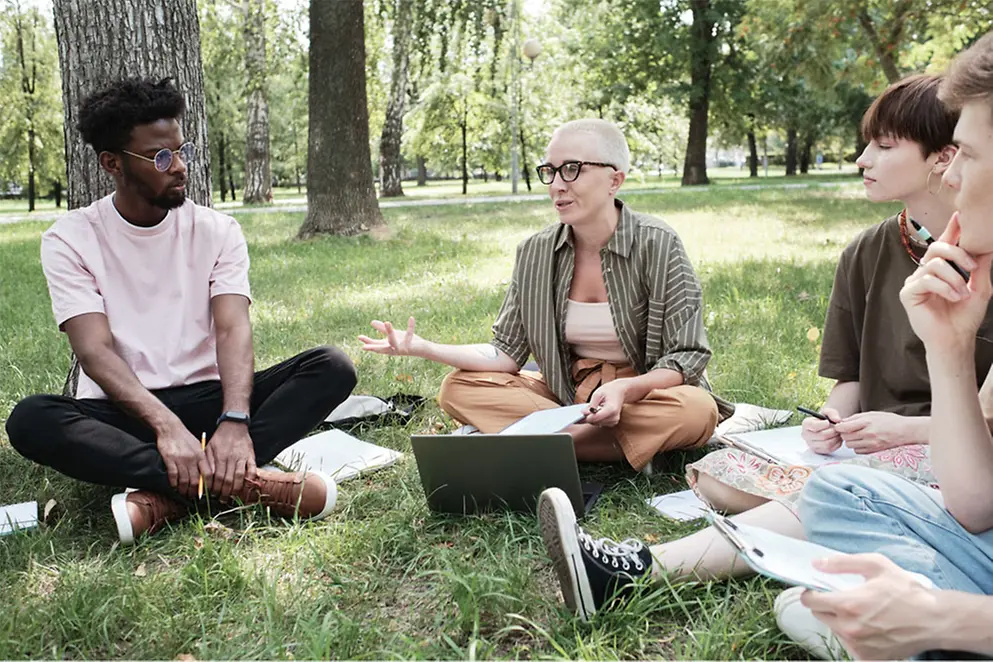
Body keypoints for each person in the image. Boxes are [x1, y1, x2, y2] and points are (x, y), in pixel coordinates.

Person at [536, 73, 993, 623]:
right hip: (878, 454)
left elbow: (979, 454)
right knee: (717, 475)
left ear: (943, 159)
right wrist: (832, 418)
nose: (861, 159)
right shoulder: (868, 251)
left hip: (944, 461)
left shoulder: (980, 259)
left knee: (829, 502)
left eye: (884, 146)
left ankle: (637, 569)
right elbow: (846, 379)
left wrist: (906, 430)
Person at [4, 78, 357, 545]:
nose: (180, 166)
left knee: (331, 366)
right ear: (112, 163)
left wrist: (234, 421)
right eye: (161, 157)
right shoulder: (70, 239)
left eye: (181, 149)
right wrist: (166, 428)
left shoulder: (218, 231)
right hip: (125, 413)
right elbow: (95, 352)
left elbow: (233, 330)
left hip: (210, 403)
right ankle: (246, 485)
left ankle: (170, 494)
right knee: (30, 419)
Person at [780, 32, 993, 660]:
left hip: (922, 456)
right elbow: (978, 506)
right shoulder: (873, 251)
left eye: (970, 155)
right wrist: (949, 350)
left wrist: (943, 618)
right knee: (835, 494)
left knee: (818, 602)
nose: (953, 174)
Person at [359, 118, 731, 471]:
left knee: (697, 410)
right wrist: (424, 347)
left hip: (642, 393)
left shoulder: (658, 243)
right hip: (566, 393)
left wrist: (627, 388)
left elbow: (687, 356)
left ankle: (541, 440)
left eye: (573, 169)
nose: (557, 184)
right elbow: (506, 353)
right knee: (457, 387)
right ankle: (615, 448)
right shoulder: (534, 252)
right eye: (550, 171)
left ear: (614, 180)